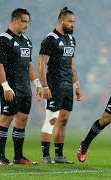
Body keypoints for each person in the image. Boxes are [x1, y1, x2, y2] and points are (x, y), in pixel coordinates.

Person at [0, 8, 43, 165]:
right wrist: (6, 86)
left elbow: (29, 65)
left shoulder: (26, 41)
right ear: (14, 20)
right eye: (23, 21)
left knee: (22, 121)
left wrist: (37, 84)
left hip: (24, 89)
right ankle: (1, 158)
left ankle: (18, 157)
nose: (26, 25)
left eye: (28, 22)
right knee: (5, 120)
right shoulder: (3, 39)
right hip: (10, 87)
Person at [38, 7, 83, 163]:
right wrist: (44, 86)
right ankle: (45, 155)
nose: (72, 25)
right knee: (51, 119)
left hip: (67, 86)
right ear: (61, 21)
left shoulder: (71, 40)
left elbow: (71, 64)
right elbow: (42, 64)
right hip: (54, 84)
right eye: (70, 21)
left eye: (74, 22)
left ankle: (59, 155)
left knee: (63, 120)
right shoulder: (50, 39)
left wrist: (76, 85)